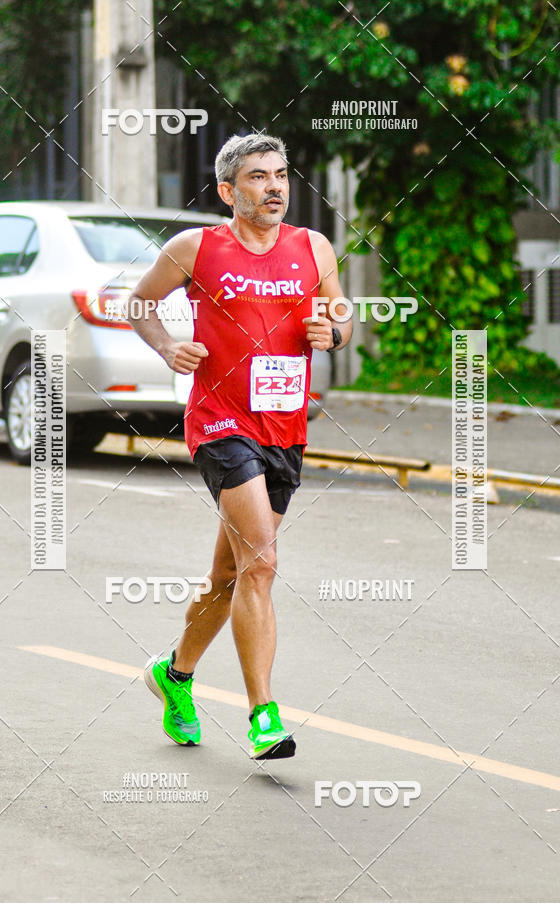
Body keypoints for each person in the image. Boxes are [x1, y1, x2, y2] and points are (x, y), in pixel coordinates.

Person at [128, 133, 352, 759]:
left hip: (285, 428)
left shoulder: (313, 246)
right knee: (261, 563)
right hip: (221, 423)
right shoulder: (195, 248)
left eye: (280, 175)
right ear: (228, 191)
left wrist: (332, 333)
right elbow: (139, 303)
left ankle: (173, 675)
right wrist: (168, 347)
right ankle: (263, 718)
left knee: (229, 574)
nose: (274, 187)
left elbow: (342, 313)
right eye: (258, 177)